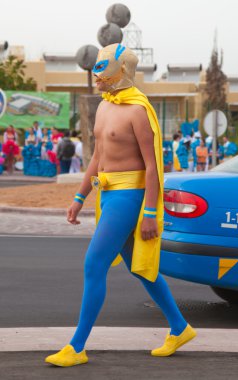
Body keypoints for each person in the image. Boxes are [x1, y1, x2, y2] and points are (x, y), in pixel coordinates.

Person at [45, 43, 196, 367]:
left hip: (130, 196)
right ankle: (180, 327)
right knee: (138, 267)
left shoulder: (138, 110)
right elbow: (98, 157)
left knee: (94, 264)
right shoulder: (105, 106)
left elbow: (154, 165)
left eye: (101, 67)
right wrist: (78, 196)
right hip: (108, 195)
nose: (95, 74)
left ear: (121, 70)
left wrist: (151, 212)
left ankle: (77, 346)